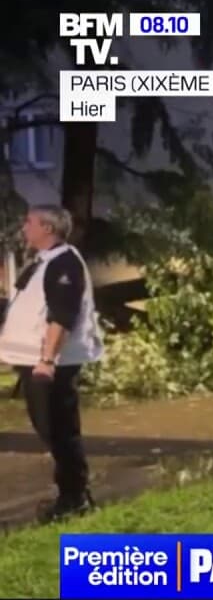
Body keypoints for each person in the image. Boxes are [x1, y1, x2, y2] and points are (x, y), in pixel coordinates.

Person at [0, 205, 105, 522]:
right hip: (35, 361)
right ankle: (73, 494)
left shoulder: (64, 264)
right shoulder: (43, 263)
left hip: (50, 365)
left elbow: (61, 316)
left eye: (29, 222)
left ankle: (75, 498)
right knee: (51, 429)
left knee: (59, 429)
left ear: (47, 228)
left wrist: (47, 360)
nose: (24, 228)